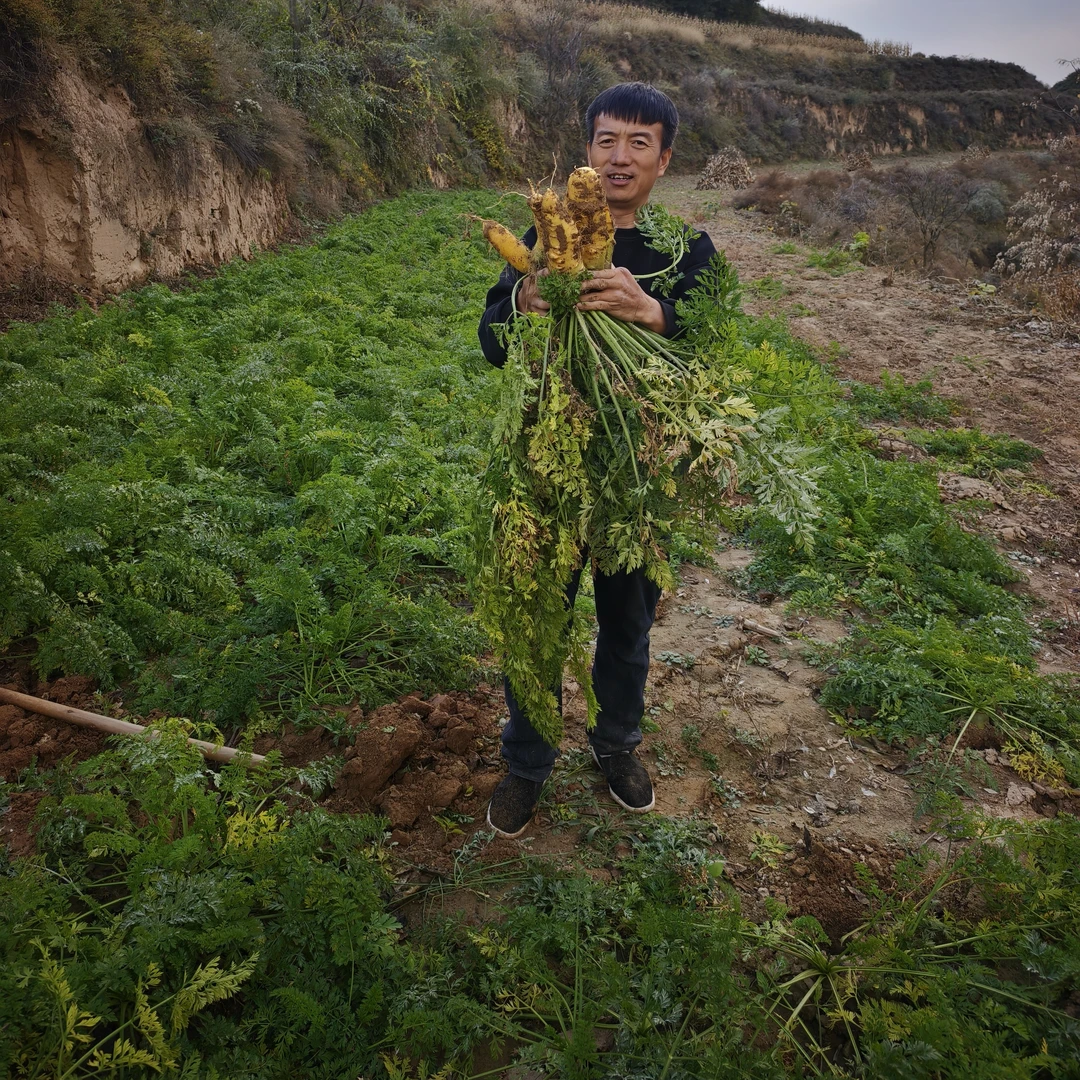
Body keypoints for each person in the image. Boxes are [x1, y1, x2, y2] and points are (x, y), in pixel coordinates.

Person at [477, 82, 718, 839]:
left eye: (638, 143)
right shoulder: (542, 242)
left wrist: (657, 312)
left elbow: (715, 348)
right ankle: (526, 763)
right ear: (588, 152)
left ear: (663, 159)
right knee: (535, 618)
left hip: (636, 475)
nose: (620, 157)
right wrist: (520, 304)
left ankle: (616, 746)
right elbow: (489, 338)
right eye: (607, 141)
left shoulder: (686, 252)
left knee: (626, 624)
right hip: (543, 471)